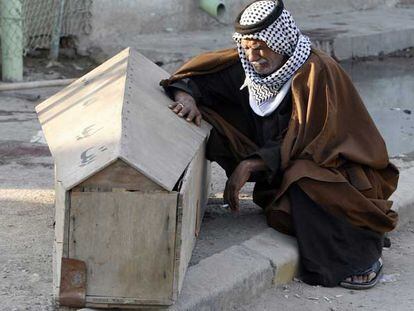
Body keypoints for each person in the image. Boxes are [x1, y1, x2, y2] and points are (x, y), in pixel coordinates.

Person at [161, 0, 398, 289]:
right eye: (247, 47)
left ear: (280, 39)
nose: (254, 55)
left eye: (261, 46)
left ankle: (362, 257)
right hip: (281, 162)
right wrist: (186, 99)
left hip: (335, 165)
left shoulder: (316, 71)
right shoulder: (250, 67)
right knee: (210, 117)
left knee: (304, 180)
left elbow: (314, 142)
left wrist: (251, 164)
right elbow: (193, 80)